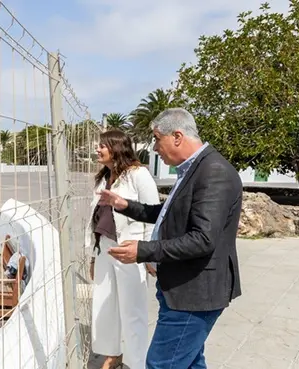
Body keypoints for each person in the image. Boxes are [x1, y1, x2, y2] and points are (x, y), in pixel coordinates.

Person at [99, 108, 243, 369]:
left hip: (194, 293)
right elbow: (168, 214)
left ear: (177, 136)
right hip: (183, 287)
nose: (154, 148)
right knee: (190, 363)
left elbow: (202, 238)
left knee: (161, 364)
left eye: (156, 138)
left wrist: (144, 251)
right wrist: (125, 205)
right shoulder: (192, 169)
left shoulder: (213, 172)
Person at [85, 130, 160, 369]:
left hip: (131, 249)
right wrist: (93, 255)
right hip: (105, 247)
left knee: (132, 309)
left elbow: (152, 215)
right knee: (105, 305)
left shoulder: (139, 175)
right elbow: (95, 218)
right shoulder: (102, 177)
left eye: (102, 146)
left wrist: (149, 253)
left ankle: (137, 363)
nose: (98, 150)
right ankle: (113, 353)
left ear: (116, 147)